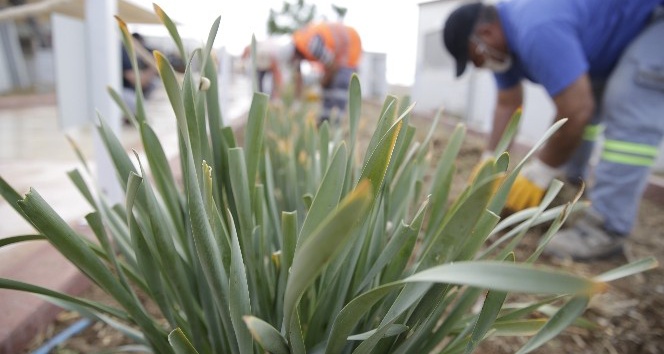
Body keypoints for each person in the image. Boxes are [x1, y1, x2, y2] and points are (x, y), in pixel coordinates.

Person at [442, 1, 664, 260]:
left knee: (626, 102)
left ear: (487, 34)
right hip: (617, 38)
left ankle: (606, 230)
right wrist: (489, 159)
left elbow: (576, 109)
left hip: (652, 20)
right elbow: (507, 104)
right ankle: (572, 186)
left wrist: (541, 170)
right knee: (581, 111)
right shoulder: (503, 50)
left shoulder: (536, 29)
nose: (478, 66)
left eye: (473, 57)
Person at [291, 22, 362, 125]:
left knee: (338, 90)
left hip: (349, 52)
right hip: (338, 57)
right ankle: (325, 126)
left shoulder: (312, 45)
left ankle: (334, 127)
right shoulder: (300, 42)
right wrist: (296, 101)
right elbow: (299, 76)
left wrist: (322, 82)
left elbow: (332, 65)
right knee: (327, 92)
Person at [121, 33, 157, 119]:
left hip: (131, 91)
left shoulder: (133, 56)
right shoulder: (124, 54)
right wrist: (154, 67)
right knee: (142, 109)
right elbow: (139, 81)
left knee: (154, 84)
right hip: (123, 91)